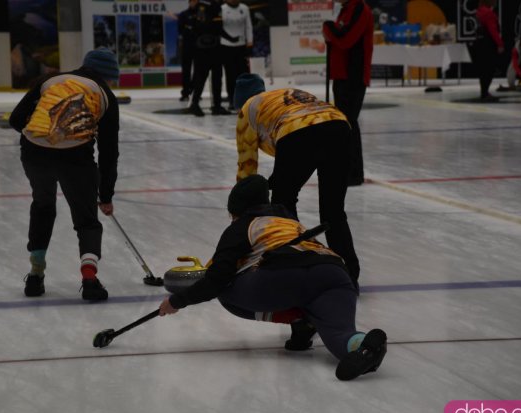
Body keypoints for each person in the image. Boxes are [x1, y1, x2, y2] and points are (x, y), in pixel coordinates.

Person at [158, 175, 387, 381]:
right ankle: (365, 346)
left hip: (284, 275)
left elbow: (216, 279)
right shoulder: (290, 222)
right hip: (335, 273)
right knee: (339, 336)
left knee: (225, 290)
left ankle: (300, 320)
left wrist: (176, 302)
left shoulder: (242, 227)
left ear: (236, 210)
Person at [233, 73, 361, 293]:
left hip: (297, 131)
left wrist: (239, 214)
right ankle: (349, 276)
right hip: (338, 126)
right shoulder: (284, 95)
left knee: (283, 205)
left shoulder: (247, 109)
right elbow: (300, 150)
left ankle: (295, 267)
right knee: (333, 210)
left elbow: (247, 172)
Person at [9, 47, 120, 301]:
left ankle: (35, 276)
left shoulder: (51, 80)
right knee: (86, 220)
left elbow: (16, 119)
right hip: (75, 156)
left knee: (43, 206)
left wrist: (43, 138)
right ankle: (90, 280)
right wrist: (105, 195)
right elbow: (108, 152)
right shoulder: (105, 95)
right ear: (107, 75)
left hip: (34, 150)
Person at [322, 0, 374, 186]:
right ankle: (346, 169)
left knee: (349, 122)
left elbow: (346, 39)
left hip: (353, 74)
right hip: (342, 75)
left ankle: (353, 173)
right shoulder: (345, 10)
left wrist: (328, 28)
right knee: (343, 123)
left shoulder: (359, 9)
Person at [188, 0, 231, 117]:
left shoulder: (218, 6)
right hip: (202, 48)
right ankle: (195, 103)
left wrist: (230, 38)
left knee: (217, 77)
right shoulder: (202, 5)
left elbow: (220, 27)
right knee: (201, 77)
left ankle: (217, 105)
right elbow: (200, 25)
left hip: (216, 47)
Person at [221, 0, 253, 110]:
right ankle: (232, 99)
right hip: (226, 46)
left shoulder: (244, 8)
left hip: (241, 46)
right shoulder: (222, 9)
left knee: (243, 74)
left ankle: (245, 99)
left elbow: (248, 26)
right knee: (230, 74)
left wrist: (249, 43)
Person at [472, 0, 504, 101]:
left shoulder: (479, 11)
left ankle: (484, 92)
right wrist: (500, 44)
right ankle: (485, 93)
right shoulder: (488, 13)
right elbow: (492, 30)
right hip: (488, 44)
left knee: (484, 70)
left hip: (480, 44)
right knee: (489, 69)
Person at [178, 0, 198, 102]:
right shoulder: (183, 14)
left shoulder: (201, 14)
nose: (194, 3)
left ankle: (194, 90)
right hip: (187, 46)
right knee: (186, 70)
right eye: (193, 1)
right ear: (189, 2)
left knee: (198, 70)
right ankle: (185, 92)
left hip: (199, 47)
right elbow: (180, 29)